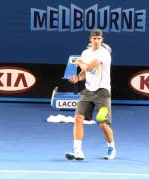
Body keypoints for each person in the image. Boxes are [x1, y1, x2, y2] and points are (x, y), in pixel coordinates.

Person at [65, 29, 116, 160]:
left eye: (99, 38)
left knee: (102, 123)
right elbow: (84, 73)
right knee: (77, 118)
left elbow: (88, 67)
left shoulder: (104, 53)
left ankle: (111, 147)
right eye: (94, 38)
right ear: (90, 40)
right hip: (88, 91)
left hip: (102, 92)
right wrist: (78, 78)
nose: (97, 41)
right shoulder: (85, 53)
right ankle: (77, 151)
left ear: (102, 40)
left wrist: (78, 62)